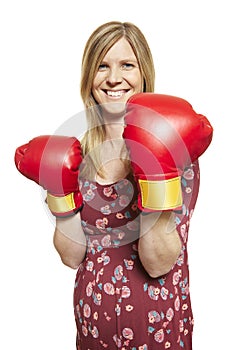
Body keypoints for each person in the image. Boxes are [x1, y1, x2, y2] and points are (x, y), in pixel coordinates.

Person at [15, 21, 213, 349]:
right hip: (94, 328)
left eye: (126, 65)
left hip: (157, 331)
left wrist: (155, 164)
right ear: (88, 77)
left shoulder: (175, 145)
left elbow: (158, 262)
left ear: (143, 73)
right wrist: (59, 191)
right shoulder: (76, 154)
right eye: (102, 66)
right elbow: (72, 255)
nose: (113, 78)